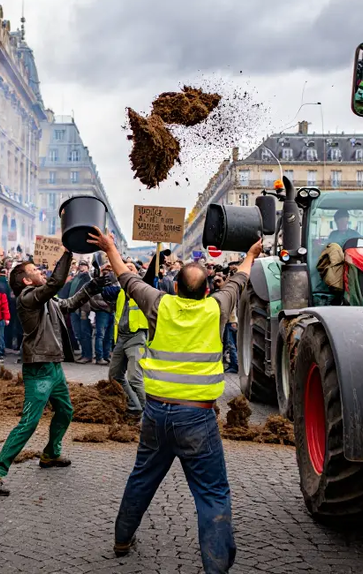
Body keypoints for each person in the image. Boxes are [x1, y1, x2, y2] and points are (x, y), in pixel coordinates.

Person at [88, 228, 262, 574]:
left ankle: (122, 538)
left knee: (142, 478)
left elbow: (127, 278)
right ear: (208, 289)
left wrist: (109, 247)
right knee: (212, 493)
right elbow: (240, 280)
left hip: (155, 412)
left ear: (176, 287)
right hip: (197, 418)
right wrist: (253, 254)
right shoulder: (216, 308)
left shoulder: (159, 304)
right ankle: (216, 568)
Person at [0, 250, 100, 496]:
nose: (40, 272)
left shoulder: (46, 299)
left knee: (66, 411)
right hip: (38, 368)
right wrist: (69, 250)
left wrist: (93, 285)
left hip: (54, 366)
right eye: (35, 271)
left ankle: (50, 454)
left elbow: (68, 304)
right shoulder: (28, 298)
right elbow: (56, 282)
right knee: (29, 422)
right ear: (26, 281)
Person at [101, 252, 164, 417]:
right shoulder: (120, 291)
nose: (126, 270)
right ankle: (134, 406)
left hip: (136, 338)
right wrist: (105, 270)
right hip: (121, 338)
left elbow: (150, 275)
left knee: (135, 377)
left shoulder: (143, 288)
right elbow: (104, 291)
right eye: (124, 268)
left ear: (136, 274)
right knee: (114, 376)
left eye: (131, 269)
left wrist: (157, 258)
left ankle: (148, 412)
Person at [89, 262, 117, 365]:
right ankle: (99, 357)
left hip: (111, 311)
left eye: (109, 270)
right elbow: (95, 298)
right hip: (102, 311)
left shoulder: (113, 282)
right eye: (106, 269)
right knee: (100, 334)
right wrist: (105, 304)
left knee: (109, 336)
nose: (107, 271)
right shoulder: (97, 281)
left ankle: (106, 356)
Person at [67, 260, 95, 363]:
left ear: (88, 267)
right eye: (81, 265)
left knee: (85, 332)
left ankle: (87, 355)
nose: (82, 267)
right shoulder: (76, 278)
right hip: (73, 309)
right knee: (78, 333)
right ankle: (84, 353)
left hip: (83, 309)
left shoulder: (88, 278)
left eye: (84, 265)